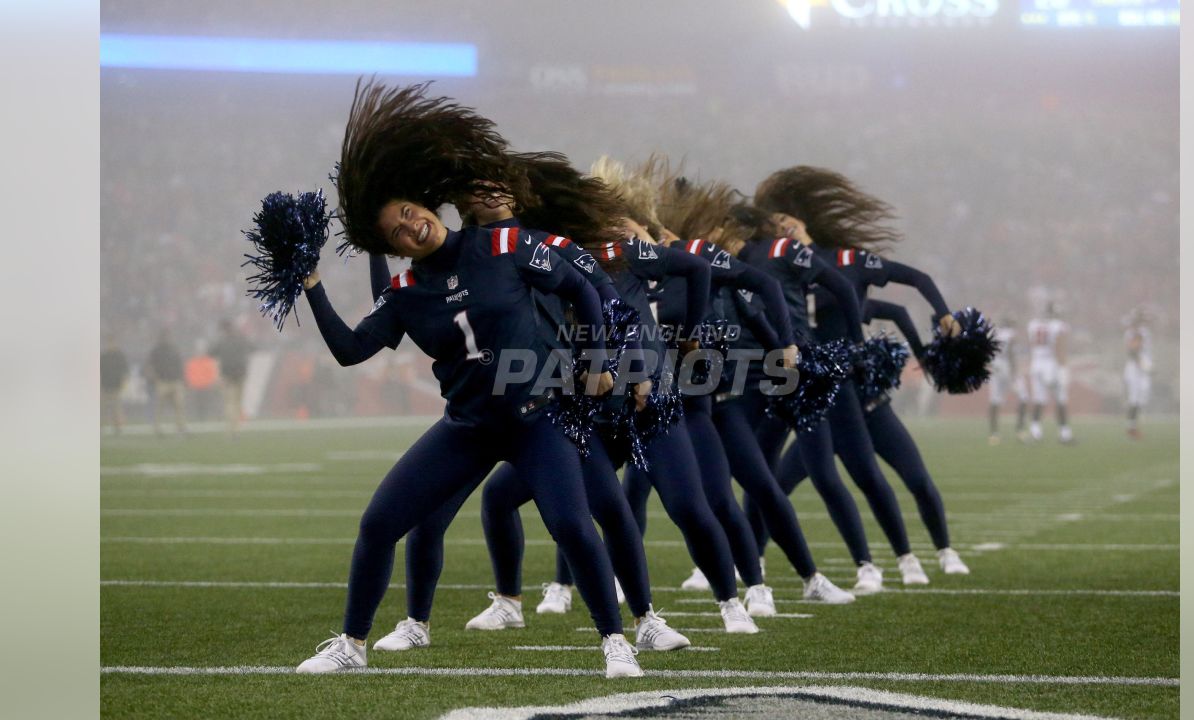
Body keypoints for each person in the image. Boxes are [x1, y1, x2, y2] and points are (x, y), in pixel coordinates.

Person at [292, 80, 639, 678]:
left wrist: (600, 361)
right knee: (379, 525)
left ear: (426, 206)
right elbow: (351, 350)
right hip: (470, 427)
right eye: (396, 231)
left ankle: (617, 641)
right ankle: (351, 645)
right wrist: (312, 285)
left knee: (572, 526)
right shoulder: (404, 292)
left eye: (409, 212)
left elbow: (581, 288)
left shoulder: (501, 242)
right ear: (392, 248)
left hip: (538, 420)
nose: (409, 227)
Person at [371, 156, 693, 650]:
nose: (489, 194)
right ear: (461, 205)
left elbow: (605, 300)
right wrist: (375, 246)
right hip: (481, 408)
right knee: (436, 512)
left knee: (605, 504)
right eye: (477, 189)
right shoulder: (457, 255)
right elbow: (400, 306)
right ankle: (431, 619)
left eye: (497, 186)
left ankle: (644, 618)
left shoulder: (548, 242)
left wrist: (622, 365)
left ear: (517, 195)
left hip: (556, 400)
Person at [614, 165, 851, 607]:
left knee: (742, 489)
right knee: (627, 491)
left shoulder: (692, 255)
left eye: (625, 226)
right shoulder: (614, 268)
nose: (618, 235)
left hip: (710, 399)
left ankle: (793, 580)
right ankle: (606, 580)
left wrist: (784, 347)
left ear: (649, 226)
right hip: (651, 402)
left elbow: (756, 294)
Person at [750, 169, 935, 587]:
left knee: (860, 473)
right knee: (768, 476)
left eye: (788, 224)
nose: (783, 231)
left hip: (832, 380)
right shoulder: (768, 262)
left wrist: (858, 346)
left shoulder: (835, 260)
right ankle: (753, 563)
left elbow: (867, 299)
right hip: (786, 376)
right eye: (776, 225)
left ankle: (899, 560)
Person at [1026, 302, 1073, 444]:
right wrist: (1063, 366)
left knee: (1039, 400)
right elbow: (1059, 346)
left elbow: (1033, 344)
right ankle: (1064, 434)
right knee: (1061, 399)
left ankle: (1035, 432)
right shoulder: (1058, 325)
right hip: (1052, 364)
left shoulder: (1033, 324)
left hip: (1036, 364)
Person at [987, 316, 1028, 444]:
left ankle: (994, 434)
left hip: (996, 367)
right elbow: (1010, 352)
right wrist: (1014, 372)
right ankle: (1020, 431)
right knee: (1023, 397)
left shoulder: (994, 333)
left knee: (995, 400)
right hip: (1007, 367)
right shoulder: (1011, 334)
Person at [210, 320, 252, 434]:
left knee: (229, 402)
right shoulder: (241, 339)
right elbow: (252, 347)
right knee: (238, 402)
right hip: (240, 373)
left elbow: (211, 352)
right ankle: (237, 428)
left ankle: (230, 428)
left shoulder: (222, 341)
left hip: (226, 375)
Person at [145, 329, 187, 436]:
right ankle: (157, 428)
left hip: (175, 381)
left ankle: (180, 427)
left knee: (179, 405)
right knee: (160, 406)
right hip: (163, 381)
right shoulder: (156, 351)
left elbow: (180, 364)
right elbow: (150, 365)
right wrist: (155, 378)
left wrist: (182, 379)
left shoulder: (174, 349)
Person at [1123, 308, 1153, 439]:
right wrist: (1143, 365)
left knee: (1142, 397)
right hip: (1135, 368)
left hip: (1141, 367)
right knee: (1134, 398)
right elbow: (1133, 351)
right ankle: (1132, 427)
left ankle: (1133, 425)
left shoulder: (1144, 332)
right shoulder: (1132, 333)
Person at [101, 335, 129, 435]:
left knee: (116, 409)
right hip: (104, 386)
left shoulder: (120, 356)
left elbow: (125, 371)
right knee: (101, 409)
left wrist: (123, 383)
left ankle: (118, 428)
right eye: (109, 343)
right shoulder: (103, 356)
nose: (110, 345)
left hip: (116, 386)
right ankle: (100, 427)